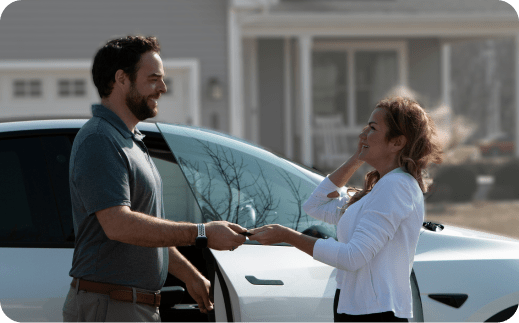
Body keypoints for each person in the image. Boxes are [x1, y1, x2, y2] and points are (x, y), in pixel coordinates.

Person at [62, 35, 246, 322]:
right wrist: (202, 233)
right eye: (153, 79)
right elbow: (119, 225)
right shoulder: (100, 139)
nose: (162, 88)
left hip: (129, 305)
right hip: (112, 305)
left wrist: (188, 274)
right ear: (121, 79)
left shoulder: (129, 140)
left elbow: (144, 228)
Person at [249, 97, 443, 322]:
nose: (362, 135)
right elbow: (315, 204)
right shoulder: (381, 187)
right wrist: (357, 158)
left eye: (372, 128)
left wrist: (287, 236)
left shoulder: (397, 186)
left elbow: (353, 257)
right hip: (356, 308)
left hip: (376, 312)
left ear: (397, 142)